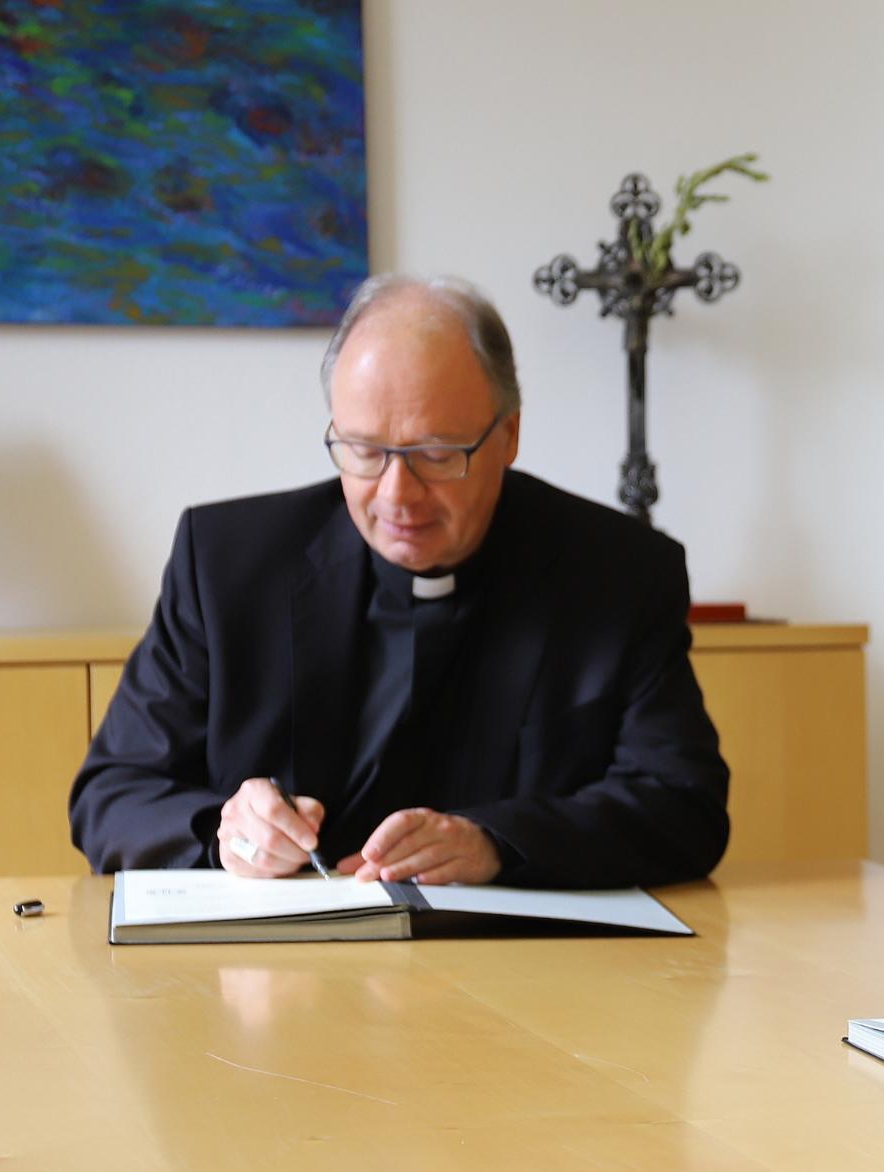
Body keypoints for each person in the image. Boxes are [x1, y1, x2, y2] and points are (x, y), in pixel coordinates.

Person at [72, 274, 730, 888]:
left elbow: (685, 804)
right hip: (277, 980)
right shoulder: (227, 564)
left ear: (509, 435)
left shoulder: (617, 573)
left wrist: (497, 842)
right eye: (362, 450)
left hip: (524, 977)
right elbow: (110, 793)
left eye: (437, 454)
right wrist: (226, 836)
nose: (397, 495)